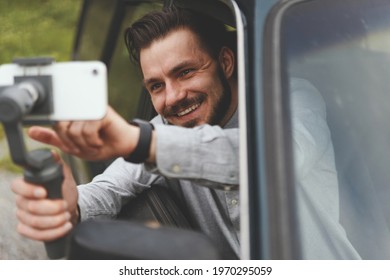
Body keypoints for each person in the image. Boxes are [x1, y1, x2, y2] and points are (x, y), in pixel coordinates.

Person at [10, 7, 359, 259]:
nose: (173, 97)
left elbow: (271, 161)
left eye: (186, 72)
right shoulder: (163, 131)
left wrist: (139, 141)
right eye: (156, 86)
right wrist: (69, 206)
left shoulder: (293, 99)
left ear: (225, 63)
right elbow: (107, 190)